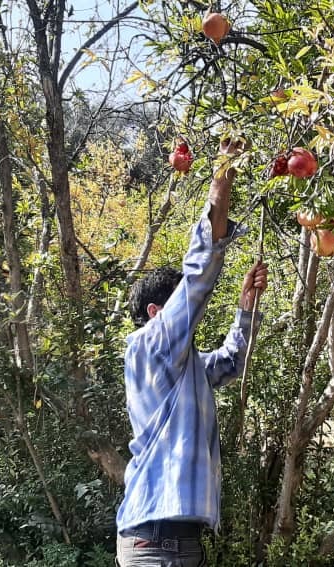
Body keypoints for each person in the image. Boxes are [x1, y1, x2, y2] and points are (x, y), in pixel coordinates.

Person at [115, 137, 267, 567]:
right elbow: (198, 277)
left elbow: (232, 361)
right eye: (175, 305)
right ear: (154, 312)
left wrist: (245, 308)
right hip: (157, 543)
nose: (185, 314)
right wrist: (224, 172)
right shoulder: (150, 342)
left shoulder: (184, 369)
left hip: (173, 541)